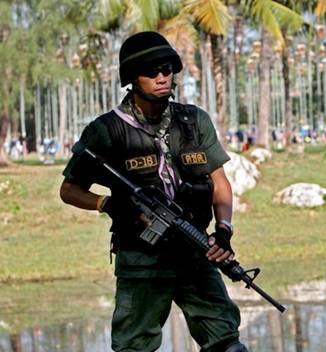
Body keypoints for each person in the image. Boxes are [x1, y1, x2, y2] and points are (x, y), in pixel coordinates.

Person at [59, 31, 247, 352]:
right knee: (135, 348)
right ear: (132, 77)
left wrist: (224, 231)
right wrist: (107, 204)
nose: (162, 77)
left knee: (227, 342)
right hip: (142, 260)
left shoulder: (193, 121)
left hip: (195, 251)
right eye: (151, 71)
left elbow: (219, 181)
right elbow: (69, 190)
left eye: (167, 69)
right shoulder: (106, 130)